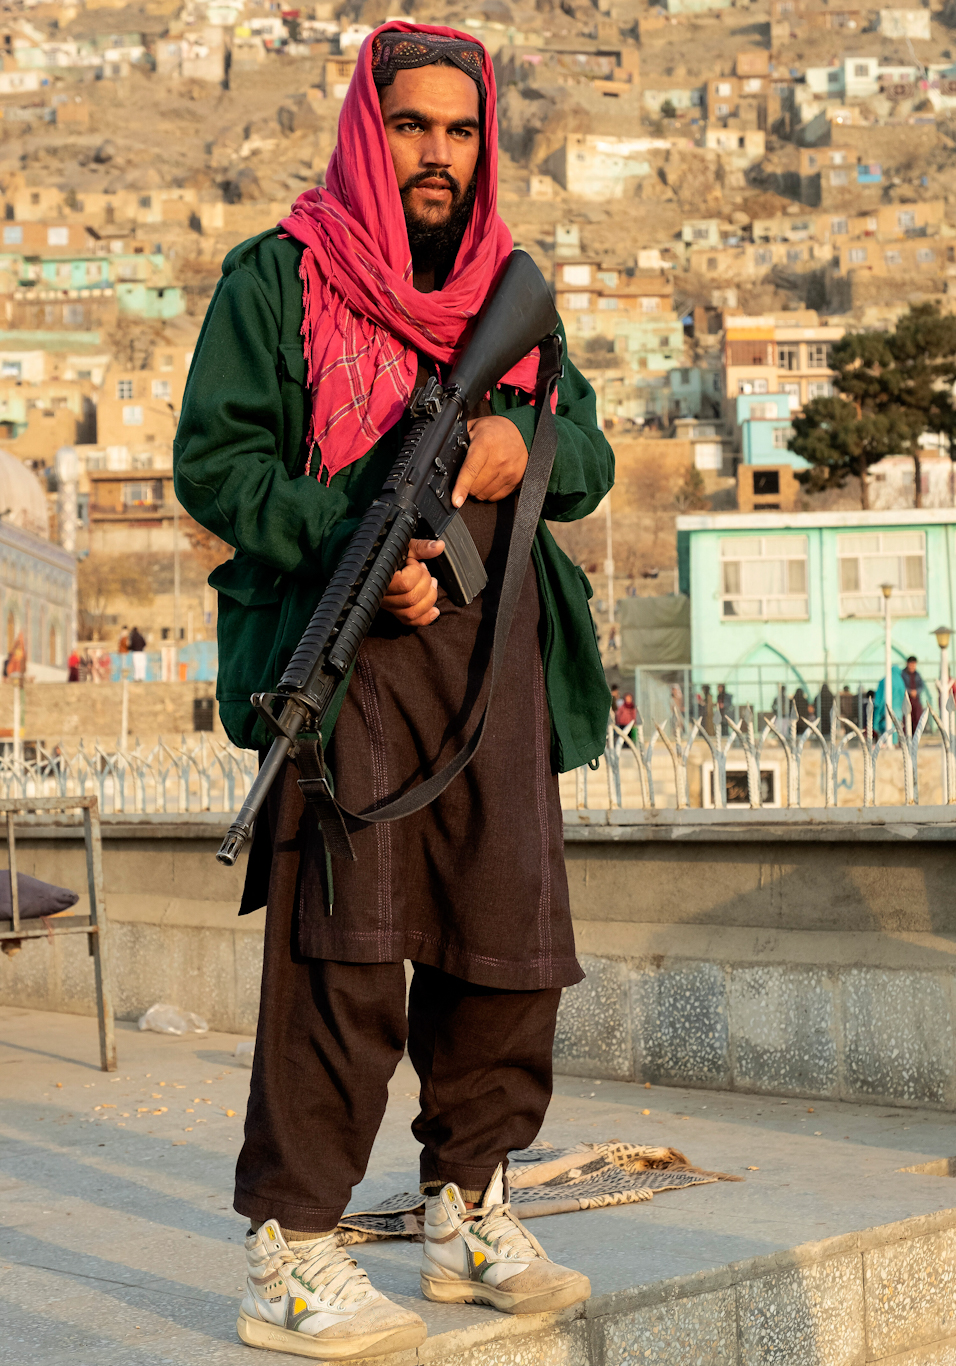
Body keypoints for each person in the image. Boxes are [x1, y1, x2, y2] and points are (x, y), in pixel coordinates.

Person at [174, 23, 613, 1363]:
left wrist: (506, 447)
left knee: (509, 949)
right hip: (354, 653)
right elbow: (217, 465)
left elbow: (585, 454)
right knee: (341, 956)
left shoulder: (508, 297)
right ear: (371, 131)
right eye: (413, 127)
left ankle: (469, 1208)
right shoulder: (281, 279)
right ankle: (294, 1253)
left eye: (461, 131)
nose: (438, 154)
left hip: (499, 668)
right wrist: (362, 545)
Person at [902, 655, 925, 729]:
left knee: (917, 720)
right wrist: (909, 692)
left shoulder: (917, 675)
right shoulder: (903, 674)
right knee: (907, 721)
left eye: (914, 665)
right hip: (906, 700)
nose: (912, 667)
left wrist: (916, 692)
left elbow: (921, 686)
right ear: (907, 664)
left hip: (916, 701)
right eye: (911, 664)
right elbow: (902, 687)